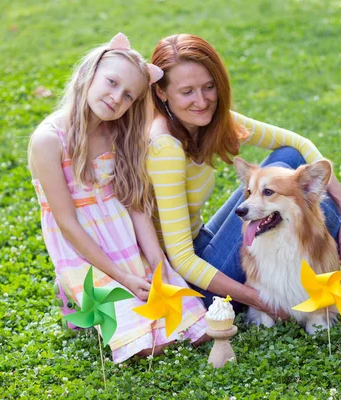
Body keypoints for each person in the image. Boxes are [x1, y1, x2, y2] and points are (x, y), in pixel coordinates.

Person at [147, 34, 341, 319]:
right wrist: (258, 300)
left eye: (209, 87)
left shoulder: (207, 121)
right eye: (187, 92)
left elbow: (300, 146)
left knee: (291, 165)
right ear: (161, 93)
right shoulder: (165, 148)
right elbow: (181, 259)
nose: (202, 100)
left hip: (201, 241)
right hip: (190, 281)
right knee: (295, 193)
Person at [28, 33, 209, 363]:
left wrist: (158, 264)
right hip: (84, 250)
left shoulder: (119, 133)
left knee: (194, 328)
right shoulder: (48, 140)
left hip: (124, 240)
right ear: (90, 73)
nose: (116, 98)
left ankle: (97, 296)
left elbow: (135, 206)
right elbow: (67, 224)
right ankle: (72, 289)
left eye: (128, 96)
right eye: (111, 83)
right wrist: (122, 277)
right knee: (149, 346)